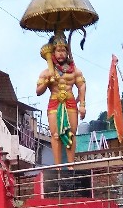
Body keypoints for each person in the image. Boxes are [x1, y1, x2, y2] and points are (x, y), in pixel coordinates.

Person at [36, 34, 86, 164]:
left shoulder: (75, 70)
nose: (61, 54)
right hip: (54, 102)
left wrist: (82, 104)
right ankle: (57, 168)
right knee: (56, 135)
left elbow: (81, 86)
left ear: (68, 52)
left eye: (64, 50)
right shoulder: (46, 72)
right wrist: (47, 82)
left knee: (71, 133)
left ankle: (70, 166)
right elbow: (38, 92)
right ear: (53, 52)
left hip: (70, 102)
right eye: (58, 50)